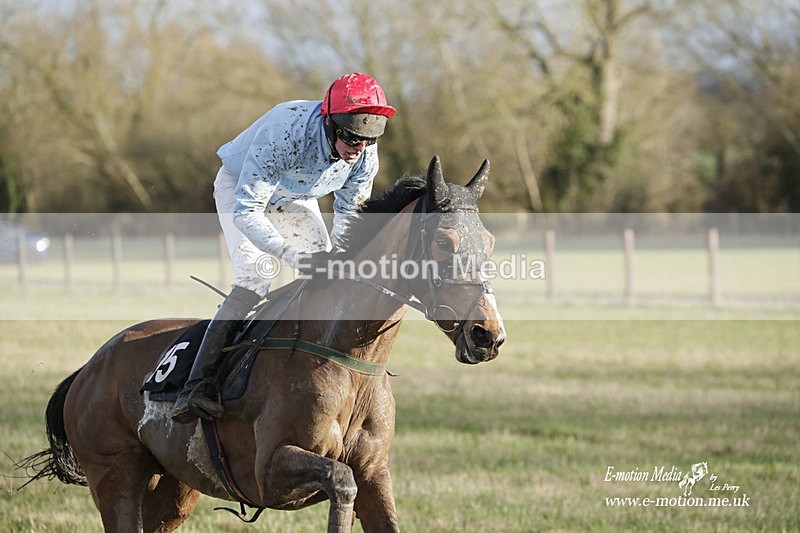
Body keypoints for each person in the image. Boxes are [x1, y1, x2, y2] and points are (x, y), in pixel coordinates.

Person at [171, 73, 396, 423]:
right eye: (351, 137)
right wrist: (293, 256)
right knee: (255, 277)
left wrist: (338, 255)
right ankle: (198, 384)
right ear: (330, 122)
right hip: (241, 193)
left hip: (295, 199)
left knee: (327, 274)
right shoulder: (285, 132)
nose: (358, 148)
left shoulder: (365, 153)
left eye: (368, 140)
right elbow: (247, 212)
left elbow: (350, 211)